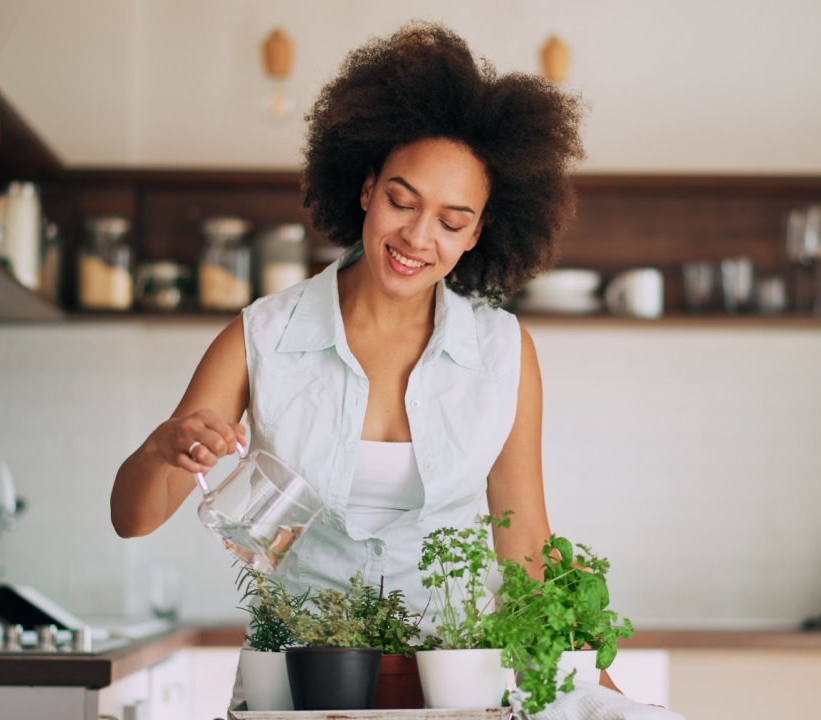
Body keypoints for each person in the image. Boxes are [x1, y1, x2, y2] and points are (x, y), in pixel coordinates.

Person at [109, 21, 599, 695]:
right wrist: (166, 449)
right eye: (402, 199)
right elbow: (131, 520)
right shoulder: (261, 336)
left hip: (451, 687)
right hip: (297, 685)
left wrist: (578, 681)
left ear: (477, 234)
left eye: (452, 222)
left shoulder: (505, 353)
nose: (418, 236)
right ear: (366, 188)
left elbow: (525, 546)